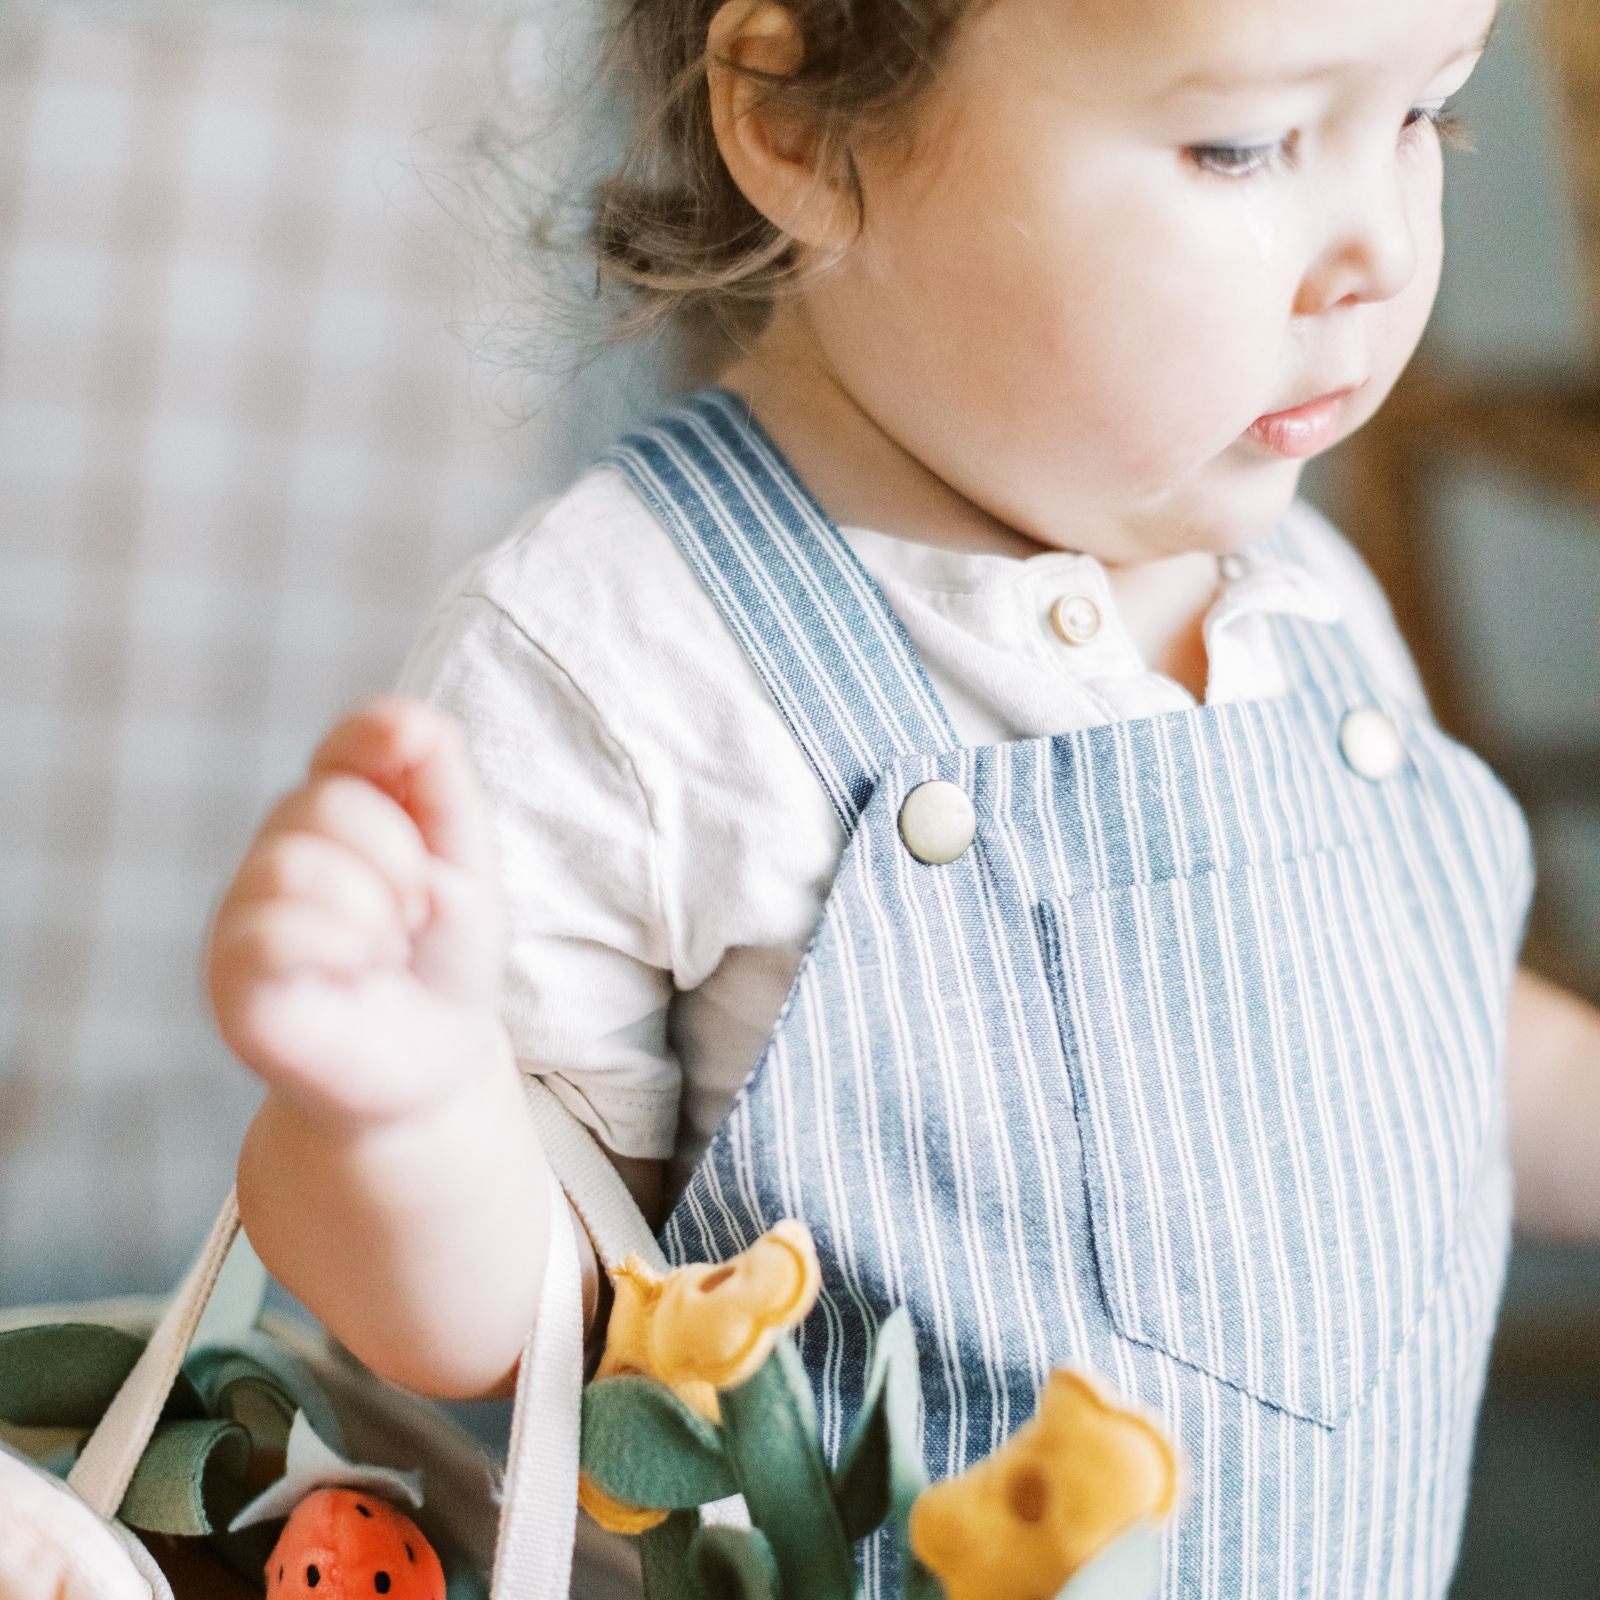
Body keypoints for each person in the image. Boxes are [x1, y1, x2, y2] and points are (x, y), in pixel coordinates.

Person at [203, 0, 1600, 1593]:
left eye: (1431, 117)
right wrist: (394, 1110)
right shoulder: (632, 660)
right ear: (797, 119)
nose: (1378, 252)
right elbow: (494, 1333)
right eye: (1244, 143)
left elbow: (1420, 1035)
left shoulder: (1303, 598)